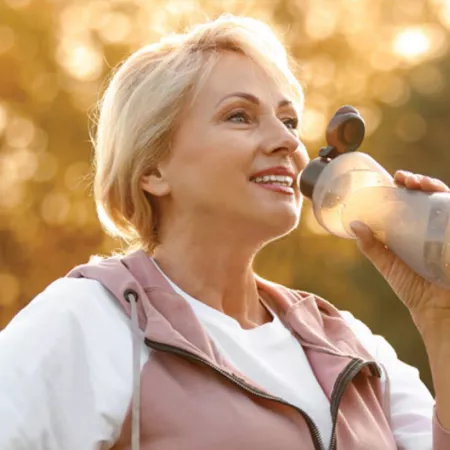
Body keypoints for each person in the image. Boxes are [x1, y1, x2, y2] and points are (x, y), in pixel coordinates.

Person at [0, 14, 449, 450]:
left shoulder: (349, 344)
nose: (289, 142)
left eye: (289, 121)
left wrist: (440, 319)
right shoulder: (91, 320)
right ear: (153, 170)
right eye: (239, 116)